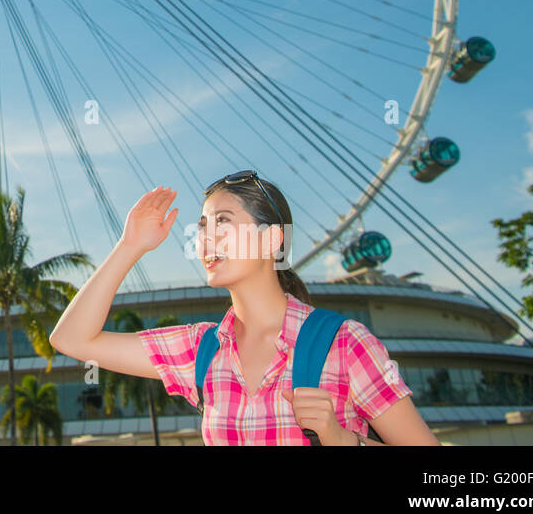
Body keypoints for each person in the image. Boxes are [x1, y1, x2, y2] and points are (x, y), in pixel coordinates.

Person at [48, 173, 439, 445]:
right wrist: (129, 245)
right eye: (202, 227)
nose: (206, 239)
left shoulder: (344, 344)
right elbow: (71, 339)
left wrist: (344, 442)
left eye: (223, 222)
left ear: (272, 240)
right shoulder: (200, 350)